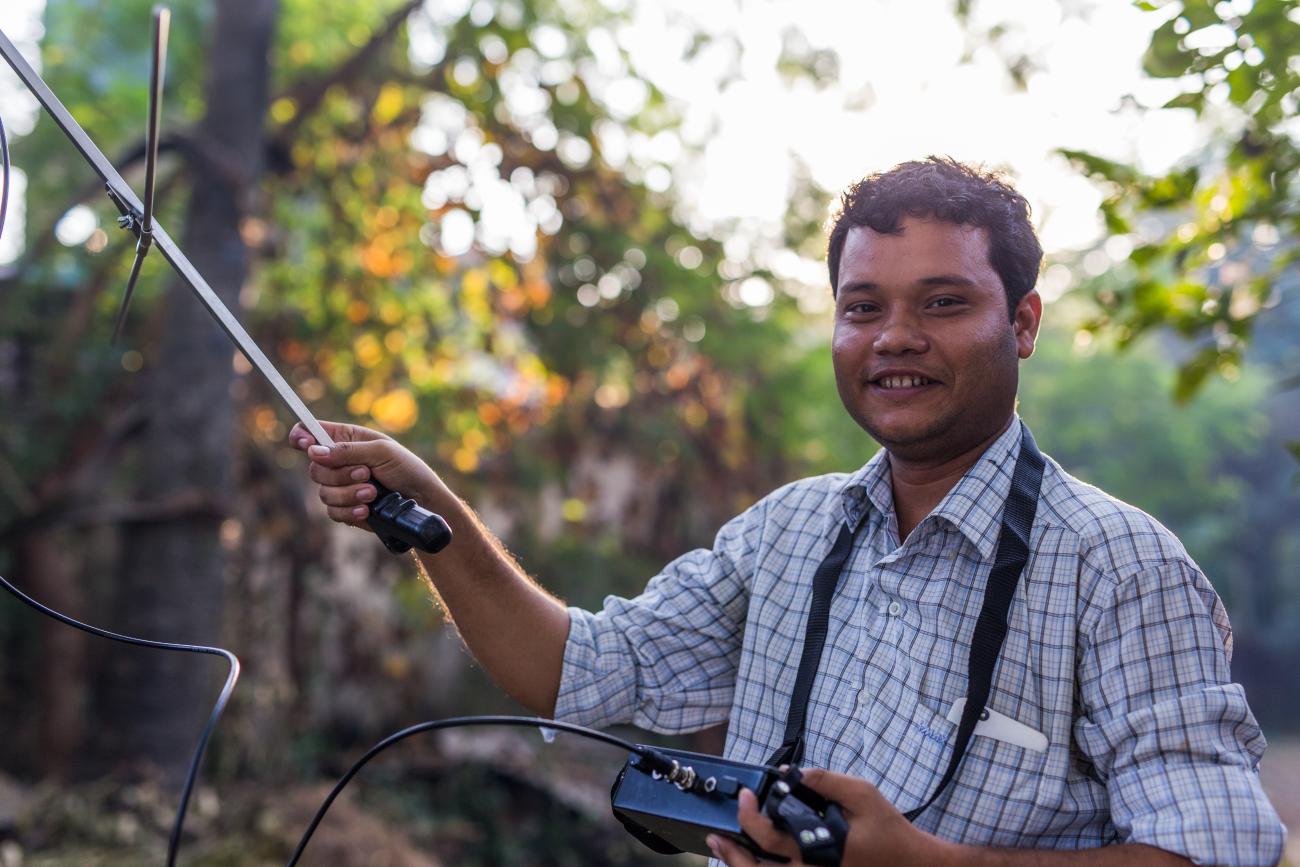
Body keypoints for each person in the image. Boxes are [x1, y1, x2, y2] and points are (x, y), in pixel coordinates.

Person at [291, 157, 1285, 866]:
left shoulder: (1123, 569)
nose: (893, 337)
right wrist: (431, 509)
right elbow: (578, 673)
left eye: (941, 303)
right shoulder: (791, 532)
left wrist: (926, 865)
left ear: (1021, 324)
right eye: (862, 308)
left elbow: (1217, 854)